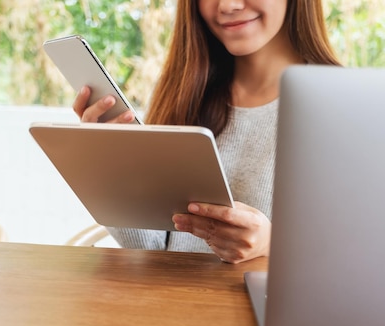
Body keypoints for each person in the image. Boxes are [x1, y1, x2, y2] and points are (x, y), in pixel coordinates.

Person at [73, 0, 340, 264]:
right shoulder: (182, 93)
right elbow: (155, 251)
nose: (227, 5)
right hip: (173, 303)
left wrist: (273, 245)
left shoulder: (341, 103)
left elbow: (360, 265)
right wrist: (109, 167)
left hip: (271, 307)